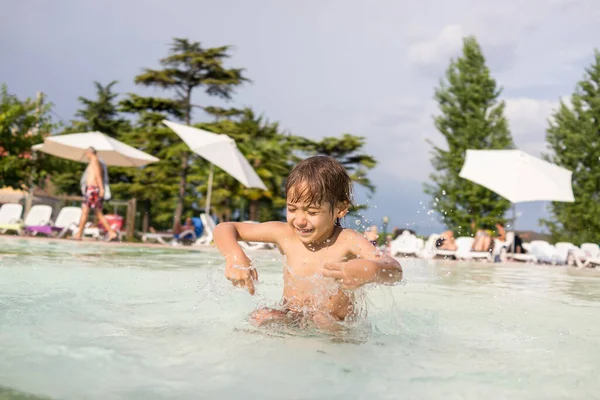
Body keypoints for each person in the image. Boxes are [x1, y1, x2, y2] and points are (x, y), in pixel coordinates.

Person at [213, 156, 402, 331]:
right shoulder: (284, 234)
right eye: (292, 209)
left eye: (312, 212)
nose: (300, 220)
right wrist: (234, 256)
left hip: (337, 327)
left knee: (323, 320)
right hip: (293, 317)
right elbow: (225, 228)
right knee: (263, 316)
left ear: (340, 209)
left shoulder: (348, 240)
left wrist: (371, 270)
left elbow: (394, 270)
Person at [73, 147, 117, 241]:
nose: (85, 155)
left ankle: (79, 234)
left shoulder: (94, 160)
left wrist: (101, 188)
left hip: (92, 190)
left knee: (88, 211)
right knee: (96, 212)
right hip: (92, 190)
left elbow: (98, 175)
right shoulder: (95, 161)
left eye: (86, 153)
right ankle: (111, 232)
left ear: (89, 152)